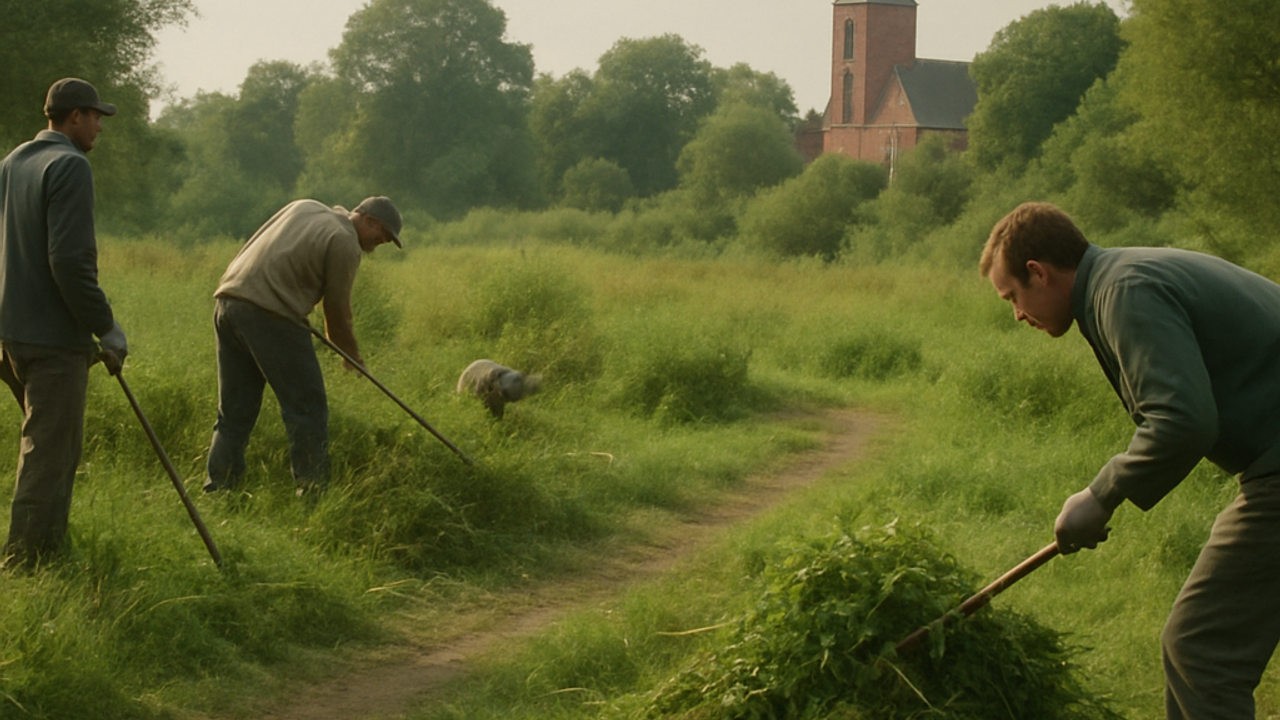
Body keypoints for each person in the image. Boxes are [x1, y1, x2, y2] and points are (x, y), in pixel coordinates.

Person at [981, 201, 1280, 720]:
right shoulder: (1125, 274)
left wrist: (1101, 495)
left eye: (1013, 297)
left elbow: (1182, 421)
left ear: (1038, 273)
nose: (1017, 315)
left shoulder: (1123, 292)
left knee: (1200, 649)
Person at [0, 78, 129, 568]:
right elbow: (70, 262)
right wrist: (106, 327)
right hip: (53, 340)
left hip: (10, 335)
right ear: (73, 116)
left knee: (42, 447)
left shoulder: (13, 162)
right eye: (96, 116)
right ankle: (27, 562)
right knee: (49, 456)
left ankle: (46, 551)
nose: (100, 125)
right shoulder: (69, 166)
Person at [204, 196, 402, 495]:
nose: (379, 244)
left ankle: (219, 491)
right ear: (370, 221)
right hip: (271, 316)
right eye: (382, 236)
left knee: (233, 413)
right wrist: (353, 358)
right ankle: (313, 497)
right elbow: (336, 311)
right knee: (308, 410)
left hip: (229, 305)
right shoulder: (345, 241)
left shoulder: (305, 206)